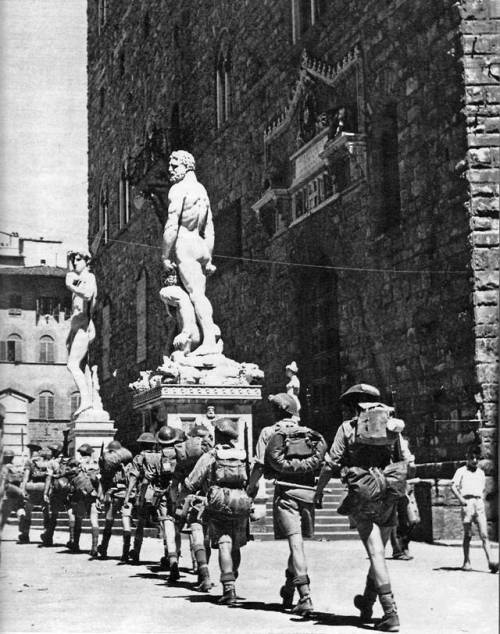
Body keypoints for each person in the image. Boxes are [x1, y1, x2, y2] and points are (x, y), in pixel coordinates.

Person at [315, 383, 407, 632]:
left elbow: (330, 463)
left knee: (375, 553)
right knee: (379, 551)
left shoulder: (348, 427)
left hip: (364, 491)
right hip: (388, 490)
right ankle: (367, 602)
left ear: (352, 405)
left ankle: (390, 612)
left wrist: (320, 490)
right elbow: (404, 459)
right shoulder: (391, 425)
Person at [247, 393, 327, 616]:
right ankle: (289, 588)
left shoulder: (269, 432)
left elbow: (260, 465)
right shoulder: (308, 433)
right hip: (308, 492)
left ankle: (305, 595)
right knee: (299, 542)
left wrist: (250, 488)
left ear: (277, 411)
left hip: (286, 492)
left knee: (295, 543)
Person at [179, 418, 251, 604]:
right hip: (241, 501)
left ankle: (228, 588)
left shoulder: (211, 455)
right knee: (236, 544)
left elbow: (191, 482)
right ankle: (232, 574)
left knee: (224, 542)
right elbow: (253, 482)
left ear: (217, 435)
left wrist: (182, 494)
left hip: (219, 501)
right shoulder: (243, 455)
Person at [162, 150, 219, 357]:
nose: (170, 170)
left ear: (186, 166)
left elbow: (171, 225)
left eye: (174, 165)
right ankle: (203, 338)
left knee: (196, 296)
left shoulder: (178, 189)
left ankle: (209, 341)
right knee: (197, 295)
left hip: (185, 243)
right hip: (200, 244)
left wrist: (165, 256)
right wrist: (209, 256)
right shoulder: (201, 189)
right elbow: (209, 226)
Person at [172, 423, 214, 591]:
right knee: (207, 539)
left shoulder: (187, 458)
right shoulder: (216, 455)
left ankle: (203, 574)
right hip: (217, 500)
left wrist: (178, 502)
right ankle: (221, 579)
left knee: (196, 533)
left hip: (197, 501)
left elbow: (186, 484)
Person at [450, 447, 498, 574]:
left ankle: (491, 562)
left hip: (479, 503)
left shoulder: (480, 473)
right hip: (467, 503)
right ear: (467, 457)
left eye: (477, 458)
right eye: (472, 457)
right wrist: (461, 499)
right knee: (468, 535)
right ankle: (466, 561)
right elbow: (453, 486)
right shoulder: (461, 471)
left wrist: (480, 501)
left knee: (484, 534)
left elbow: (482, 489)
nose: (474, 460)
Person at [65, 250, 97, 418]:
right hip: (76, 328)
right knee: (82, 368)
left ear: (86, 260)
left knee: (72, 365)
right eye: (73, 260)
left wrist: (70, 285)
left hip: (84, 327)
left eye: (78, 260)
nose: (75, 263)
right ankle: (90, 401)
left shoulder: (89, 278)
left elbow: (88, 294)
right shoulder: (77, 278)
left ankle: (86, 401)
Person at [123, 432, 158, 565]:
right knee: (164, 524)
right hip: (160, 494)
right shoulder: (161, 456)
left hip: (145, 493)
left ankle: (136, 552)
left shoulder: (139, 458)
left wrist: (128, 496)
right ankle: (170, 555)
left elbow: (133, 478)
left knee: (141, 524)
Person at [96, 440, 133, 561]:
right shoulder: (129, 464)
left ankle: (104, 548)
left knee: (109, 521)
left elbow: (103, 480)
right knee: (126, 522)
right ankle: (125, 552)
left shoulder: (109, 466)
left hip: (114, 494)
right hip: (128, 494)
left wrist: (100, 496)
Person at [67, 444, 100, 557]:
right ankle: (94, 548)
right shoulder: (96, 464)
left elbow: (73, 477)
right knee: (94, 520)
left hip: (80, 494)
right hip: (93, 493)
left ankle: (75, 544)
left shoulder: (79, 463)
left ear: (81, 453)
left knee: (78, 520)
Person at [390, 435, 417, 560]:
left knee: (411, 519)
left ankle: (404, 545)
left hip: (402, 480)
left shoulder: (397, 436)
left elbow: (406, 455)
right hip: (390, 479)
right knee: (394, 517)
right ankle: (398, 549)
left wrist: (410, 463)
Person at [19, 444, 51, 544]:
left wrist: (23, 490)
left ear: (31, 451)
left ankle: (25, 535)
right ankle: (47, 536)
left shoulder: (29, 462)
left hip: (32, 488)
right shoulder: (46, 461)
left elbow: (26, 477)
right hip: (44, 488)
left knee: (27, 512)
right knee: (46, 513)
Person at [41, 442, 67, 547]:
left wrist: (45, 492)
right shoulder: (67, 461)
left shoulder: (51, 462)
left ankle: (49, 536)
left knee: (54, 515)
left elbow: (48, 478)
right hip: (68, 490)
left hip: (56, 491)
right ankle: (73, 540)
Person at [0, 449, 27, 543]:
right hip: (18, 491)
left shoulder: (4, 468)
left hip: (8, 491)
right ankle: (24, 534)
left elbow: (3, 481)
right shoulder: (16, 468)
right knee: (20, 509)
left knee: (3, 515)